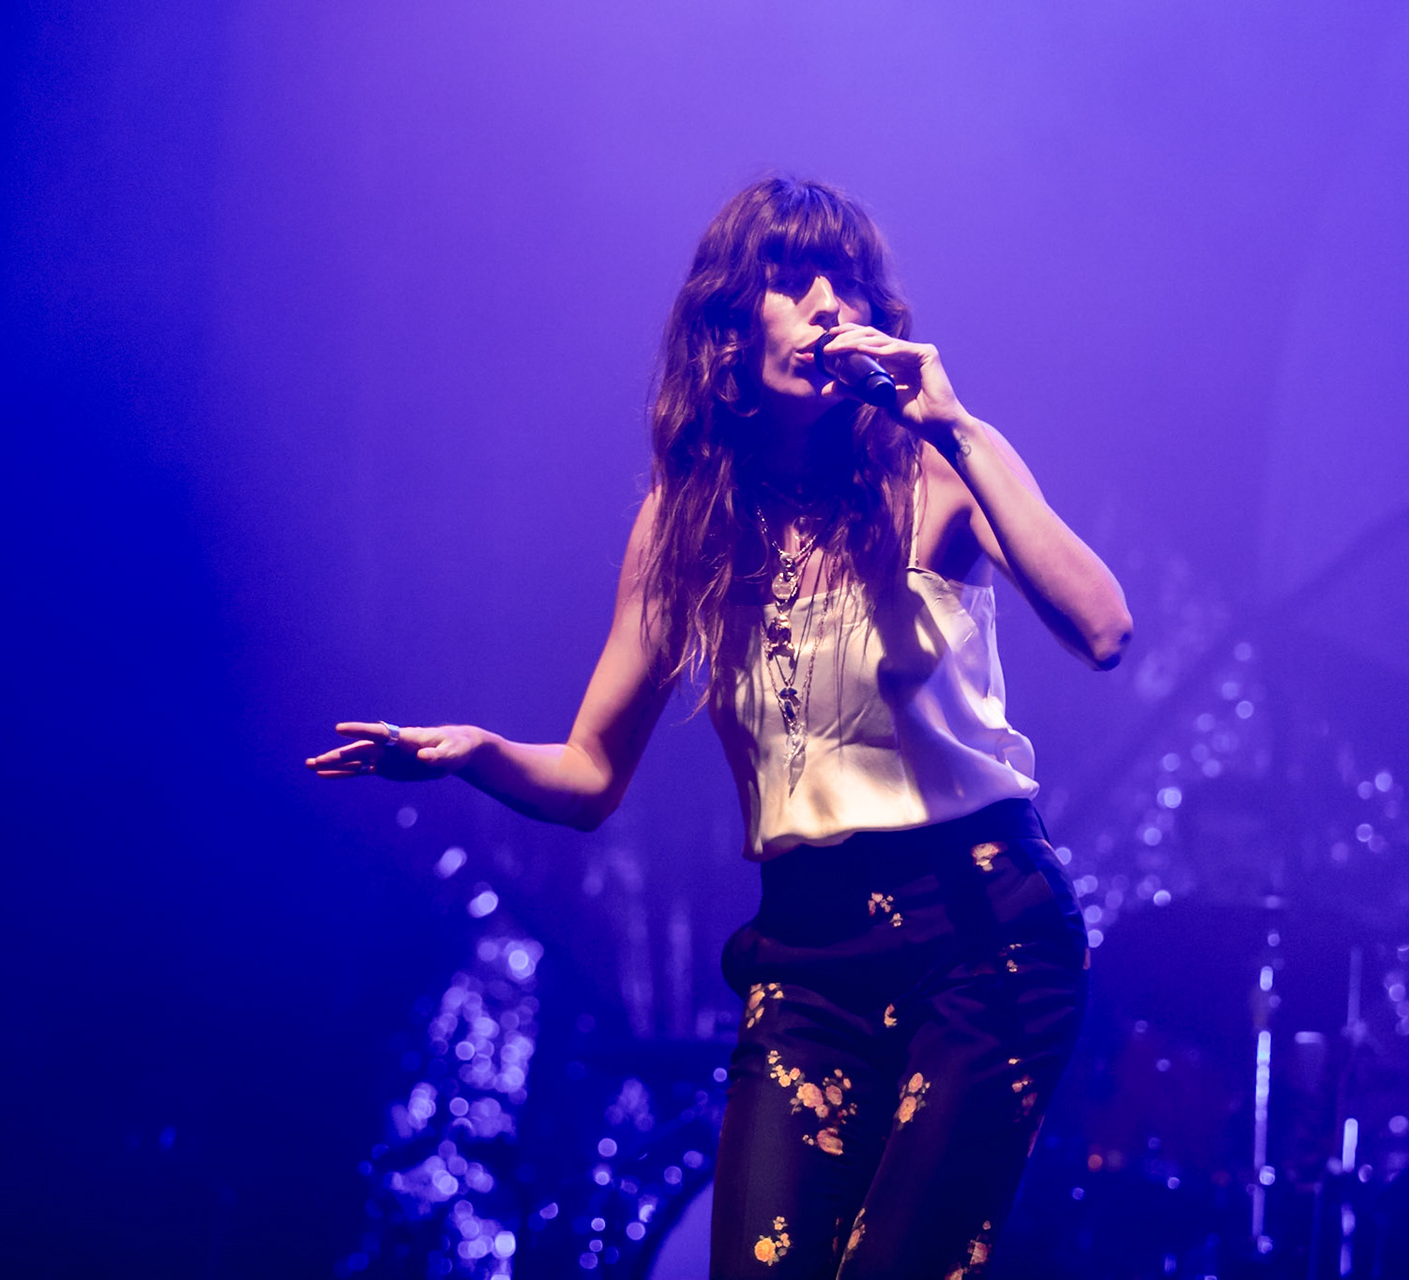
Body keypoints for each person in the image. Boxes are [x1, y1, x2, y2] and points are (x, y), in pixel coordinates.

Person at [307, 176, 1131, 1278]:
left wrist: (958, 421)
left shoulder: (932, 470)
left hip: (983, 935)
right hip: (809, 955)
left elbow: (1103, 626)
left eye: (848, 285)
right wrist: (476, 753)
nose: (828, 306)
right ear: (731, 323)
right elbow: (593, 773)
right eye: (792, 283)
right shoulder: (686, 518)